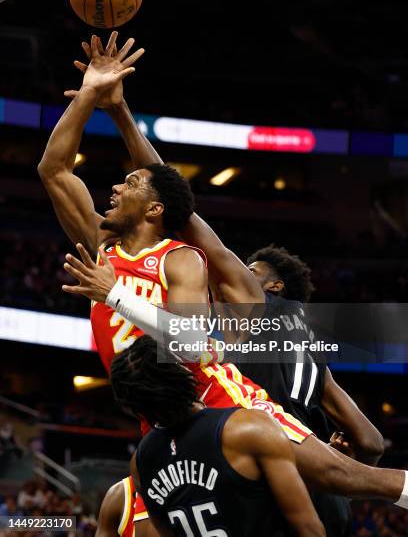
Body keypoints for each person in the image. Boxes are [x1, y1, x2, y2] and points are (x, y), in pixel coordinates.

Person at [50, 32, 408, 509]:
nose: (238, 272)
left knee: (345, 484)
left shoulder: (210, 276)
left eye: (252, 267)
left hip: (223, 407)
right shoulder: (112, 250)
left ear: (274, 285)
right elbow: (55, 170)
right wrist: (98, 97)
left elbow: (185, 221)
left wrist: (117, 294)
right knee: (121, 509)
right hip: (166, 417)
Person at [112, 336, 326, 537]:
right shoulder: (244, 428)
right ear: (180, 370)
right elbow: (309, 529)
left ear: (134, 407)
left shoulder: (140, 463)